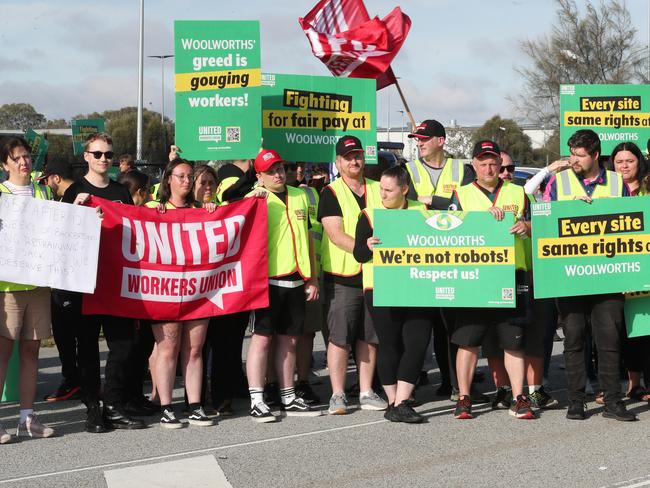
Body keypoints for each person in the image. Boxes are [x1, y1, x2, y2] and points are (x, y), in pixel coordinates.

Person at [544, 129, 635, 421]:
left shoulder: (617, 183)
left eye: (580, 155)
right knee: (574, 339)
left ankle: (612, 402)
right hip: (570, 276)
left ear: (596, 155)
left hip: (608, 275)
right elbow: (542, 216)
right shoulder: (559, 183)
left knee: (609, 341)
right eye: (572, 153)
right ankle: (576, 400)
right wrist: (570, 209)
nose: (574, 160)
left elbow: (631, 222)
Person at [63, 132, 146, 432]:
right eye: (97, 154)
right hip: (85, 283)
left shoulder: (120, 192)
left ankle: (113, 404)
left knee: (124, 346)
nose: (103, 159)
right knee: (86, 348)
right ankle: (92, 408)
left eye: (108, 155)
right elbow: (61, 235)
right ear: (86, 156)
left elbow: (133, 231)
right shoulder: (75, 190)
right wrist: (76, 210)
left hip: (115, 282)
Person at [449, 140, 535, 420]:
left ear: (500, 165)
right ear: (473, 164)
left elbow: (541, 225)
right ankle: (464, 397)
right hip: (474, 277)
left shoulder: (519, 192)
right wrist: (478, 220)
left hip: (512, 275)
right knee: (469, 340)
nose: (488, 167)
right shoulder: (460, 195)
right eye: (482, 162)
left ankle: (519, 397)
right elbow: (448, 233)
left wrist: (527, 226)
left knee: (513, 341)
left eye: (493, 162)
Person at [245, 149, 321, 422]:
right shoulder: (253, 199)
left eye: (280, 168)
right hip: (266, 281)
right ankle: (257, 397)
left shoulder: (300, 195)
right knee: (262, 339)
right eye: (271, 171)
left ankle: (288, 394)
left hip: (296, 278)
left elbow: (308, 238)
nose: (278, 174)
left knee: (290, 339)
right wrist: (255, 197)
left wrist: (311, 277)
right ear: (260, 176)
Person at [353, 166, 430, 423]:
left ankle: (402, 402)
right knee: (390, 344)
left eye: (388, 190)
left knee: (418, 342)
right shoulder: (369, 215)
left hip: (417, 286)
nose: (382, 194)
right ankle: (393, 400)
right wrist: (367, 246)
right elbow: (358, 255)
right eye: (381, 189)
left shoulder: (421, 211)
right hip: (380, 288)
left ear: (404, 189)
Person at [318, 135, 387, 415]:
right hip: (343, 276)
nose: (354, 161)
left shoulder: (378, 187)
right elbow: (334, 234)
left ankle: (366, 390)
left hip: (374, 275)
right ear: (338, 162)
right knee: (340, 337)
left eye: (358, 155)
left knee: (369, 337)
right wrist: (363, 249)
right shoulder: (330, 192)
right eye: (348, 157)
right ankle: (337, 394)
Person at [145, 159, 216, 429]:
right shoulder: (154, 208)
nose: (186, 181)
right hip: (165, 291)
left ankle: (195, 405)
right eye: (180, 176)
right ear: (168, 179)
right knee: (168, 349)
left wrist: (211, 211)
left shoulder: (203, 210)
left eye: (189, 176)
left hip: (198, 290)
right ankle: (166, 407)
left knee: (195, 349)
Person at [0, 137, 55, 443]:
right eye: (16, 158)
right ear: (4, 164)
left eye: (26, 157)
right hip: (6, 286)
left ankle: (27, 417)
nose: (24, 163)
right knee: (3, 352)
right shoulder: (0, 193)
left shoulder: (42, 191)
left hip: (38, 283)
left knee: (32, 349)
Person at [607, 142, 650, 401]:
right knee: (623, 331)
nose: (624, 166)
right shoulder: (607, 190)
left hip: (643, 265)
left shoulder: (647, 189)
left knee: (645, 328)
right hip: (614, 269)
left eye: (629, 161)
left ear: (639, 162)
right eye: (619, 161)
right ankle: (633, 384)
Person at [37, 160, 82, 403]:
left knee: (67, 334)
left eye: (47, 181)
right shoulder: (77, 194)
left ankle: (74, 381)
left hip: (70, 281)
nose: (48, 186)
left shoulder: (71, 197)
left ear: (55, 177)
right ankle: (79, 380)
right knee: (74, 334)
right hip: (72, 279)